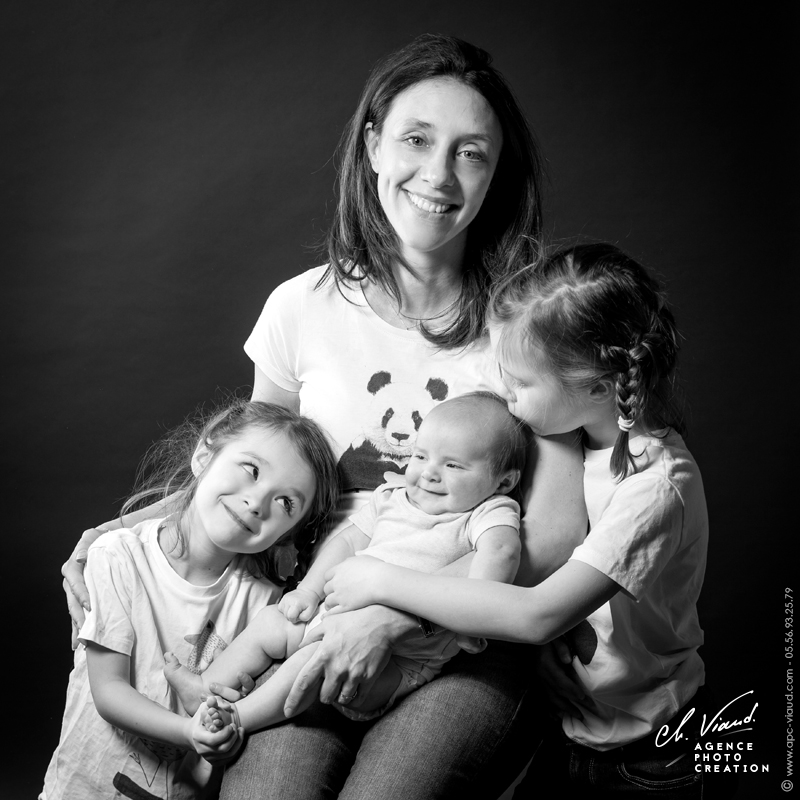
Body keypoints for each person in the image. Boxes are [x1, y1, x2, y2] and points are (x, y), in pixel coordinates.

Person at [62, 34, 587, 799]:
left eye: (471, 153)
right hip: (312, 613)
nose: (438, 175)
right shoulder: (300, 308)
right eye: (416, 139)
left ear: (495, 174)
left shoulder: (527, 328)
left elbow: (556, 538)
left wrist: (401, 620)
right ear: (372, 145)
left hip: (464, 647)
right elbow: (256, 461)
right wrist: (130, 542)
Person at [324, 243, 710, 796]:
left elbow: (536, 616)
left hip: (649, 752)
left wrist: (381, 580)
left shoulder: (655, 488)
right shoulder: (583, 436)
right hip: (574, 726)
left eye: (521, 383)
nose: (506, 394)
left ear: (599, 386)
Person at [165, 392, 528, 735]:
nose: (430, 473)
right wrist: (308, 590)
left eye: (453, 465)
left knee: (311, 659)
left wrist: (472, 618)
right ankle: (205, 686)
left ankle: (238, 718)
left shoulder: (488, 512)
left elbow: (500, 554)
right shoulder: (392, 498)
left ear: (503, 481)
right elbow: (347, 542)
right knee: (270, 623)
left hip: (398, 659)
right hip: (330, 616)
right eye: (420, 456)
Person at [42, 401, 339, 800]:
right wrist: (188, 732)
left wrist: (224, 736)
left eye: (286, 502)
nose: (256, 502)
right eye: (251, 470)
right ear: (204, 455)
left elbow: (225, 717)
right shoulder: (118, 556)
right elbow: (108, 692)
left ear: (289, 533)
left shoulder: (263, 602)